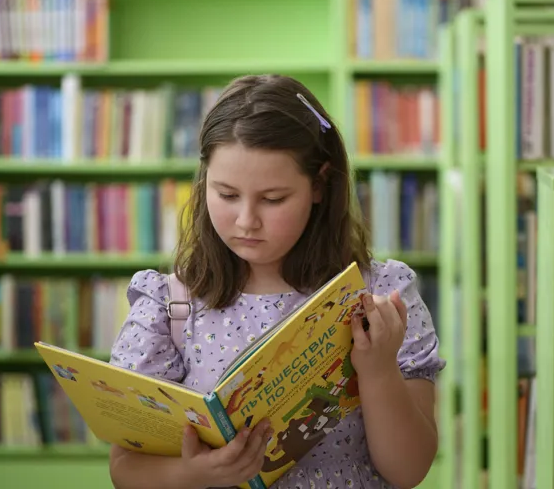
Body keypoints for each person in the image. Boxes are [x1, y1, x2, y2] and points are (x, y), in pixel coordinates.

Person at [107, 74, 446, 489]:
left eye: (273, 199)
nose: (246, 220)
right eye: (227, 194)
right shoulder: (168, 304)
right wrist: (196, 473)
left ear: (319, 184)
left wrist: (377, 372)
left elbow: (409, 471)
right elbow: (124, 469)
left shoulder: (381, 293)